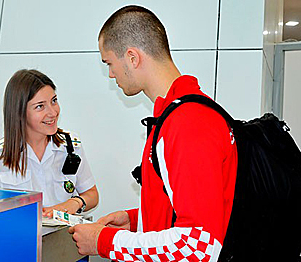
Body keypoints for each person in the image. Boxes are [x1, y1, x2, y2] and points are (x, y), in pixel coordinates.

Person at [69, 5, 238, 261]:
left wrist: (103, 241)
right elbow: (184, 209)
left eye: (110, 63)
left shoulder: (189, 123)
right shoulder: (173, 116)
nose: (111, 74)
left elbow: (198, 246)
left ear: (132, 57)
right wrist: (136, 220)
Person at [0, 69, 98, 217]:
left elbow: (92, 195)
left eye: (54, 101)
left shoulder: (70, 147)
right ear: (19, 112)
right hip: (19, 237)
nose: (52, 112)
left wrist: (75, 203)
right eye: (40, 106)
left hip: (64, 237)